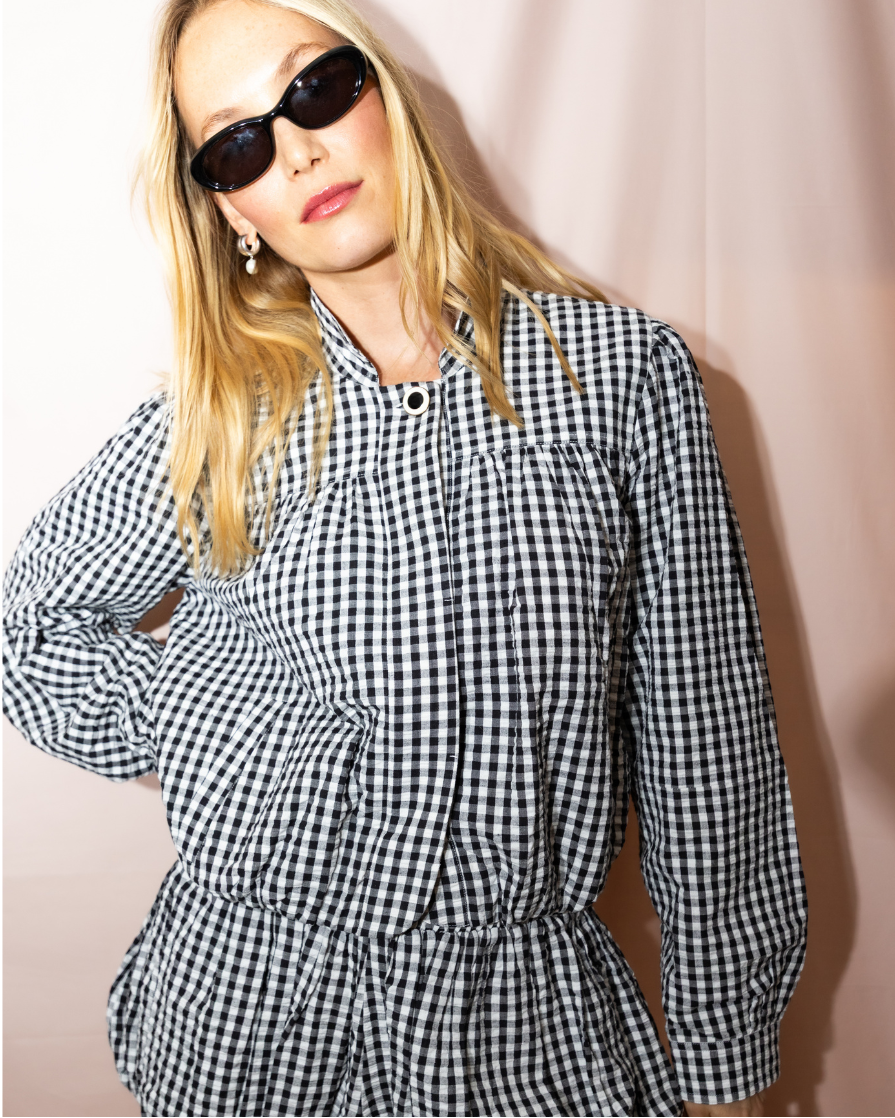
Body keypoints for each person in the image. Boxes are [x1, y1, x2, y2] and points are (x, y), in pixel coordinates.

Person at [2, 1, 807, 1114]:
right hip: (247, 1021)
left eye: (316, 90)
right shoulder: (220, 417)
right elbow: (31, 631)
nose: (296, 149)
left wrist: (727, 1060)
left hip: (526, 1041)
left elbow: (705, 748)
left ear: (381, 92)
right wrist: (221, 720)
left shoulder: (621, 381)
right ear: (230, 206)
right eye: (237, 142)